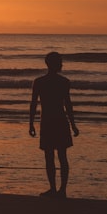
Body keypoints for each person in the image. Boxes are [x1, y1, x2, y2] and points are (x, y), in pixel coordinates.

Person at [29, 51, 79, 198]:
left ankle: (55, 189)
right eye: (60, 62)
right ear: (55, 64)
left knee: (49, 156)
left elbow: (33, 105)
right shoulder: (64, 82)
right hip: (60, 121)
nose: (62, 64)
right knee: (62, 156)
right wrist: (73, 124)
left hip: (47, 121)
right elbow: (68, 106)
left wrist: (31, 124)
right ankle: (61, 190)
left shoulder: (39, 82)